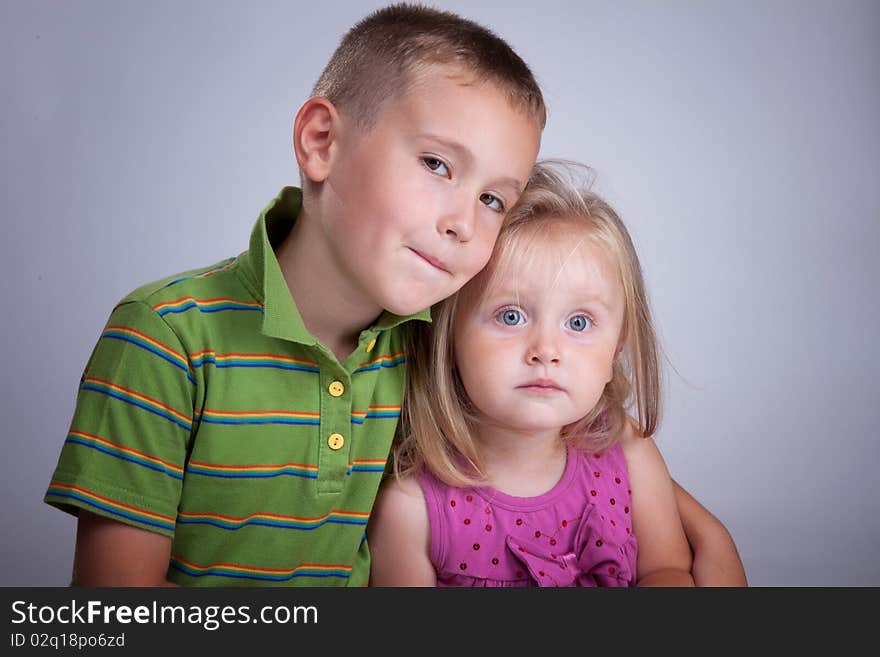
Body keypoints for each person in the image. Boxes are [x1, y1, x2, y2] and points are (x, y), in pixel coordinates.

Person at [45, 4, 742, 587]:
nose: (463, 221)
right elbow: (113, 615)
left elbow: (590, 444)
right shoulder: (166, 339)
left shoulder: (433, 341)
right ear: (322, 142)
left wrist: (708, 541)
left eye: (494, 197)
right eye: (437, 164)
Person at [368, 161, 746, 586]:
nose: (545, 351)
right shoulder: (412, 509)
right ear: (449, 340)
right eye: (510, 316)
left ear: (616, 349)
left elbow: (667, 570)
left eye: (579, 323)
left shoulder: (630, 458)